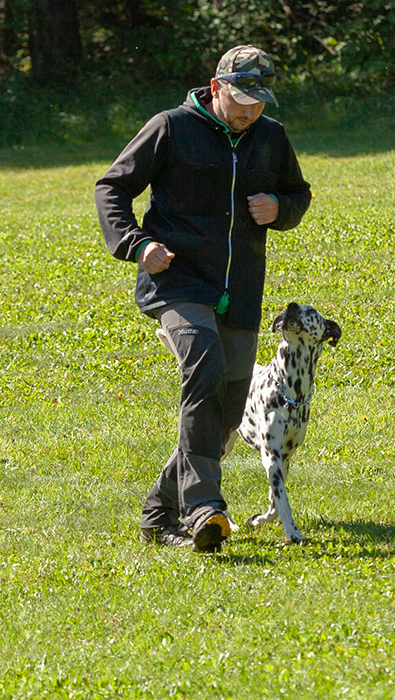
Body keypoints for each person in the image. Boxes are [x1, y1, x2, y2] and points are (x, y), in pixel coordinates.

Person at [95, 45, 312, 552]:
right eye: (240, 101)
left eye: (258, 103)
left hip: (239, 290)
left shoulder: (271, 137)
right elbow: (111, 188)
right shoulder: (170, 127)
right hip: (177, 282)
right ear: (216, 89)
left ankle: (157, 512)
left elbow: (298, 195)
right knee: (206, 367)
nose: (248, 112)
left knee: (229, 411)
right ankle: (204, 510)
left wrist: (280, 206)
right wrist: (137, 243)